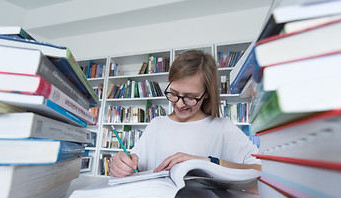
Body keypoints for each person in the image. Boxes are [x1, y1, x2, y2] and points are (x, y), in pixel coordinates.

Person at [110, 50, 261, 183]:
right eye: (174, 94)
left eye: (190, 97)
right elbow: (131, 165)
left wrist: (206, 162)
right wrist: (120, 166)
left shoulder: (223, 128)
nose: (180, 105)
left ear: (206, 94)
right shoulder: (156, 125)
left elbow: (261, 169)